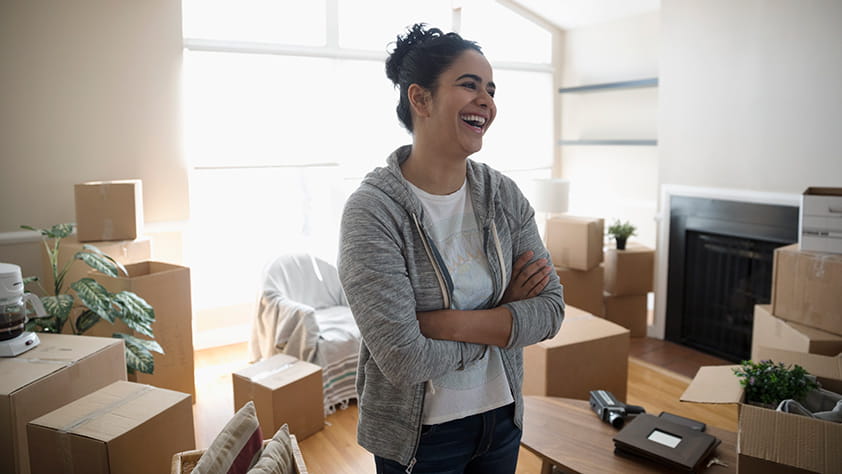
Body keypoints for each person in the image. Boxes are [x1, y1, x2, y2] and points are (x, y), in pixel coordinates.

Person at [338, 23, 565, 474]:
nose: (487, 100)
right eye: (469, 85)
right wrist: (503, 317)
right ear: (420, 99)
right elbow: (404, 359)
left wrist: (443, 323)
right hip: (422, 439)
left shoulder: (504, 195)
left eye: (491, 89)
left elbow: (551, 310)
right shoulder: (373, 212)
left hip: (502, 417)